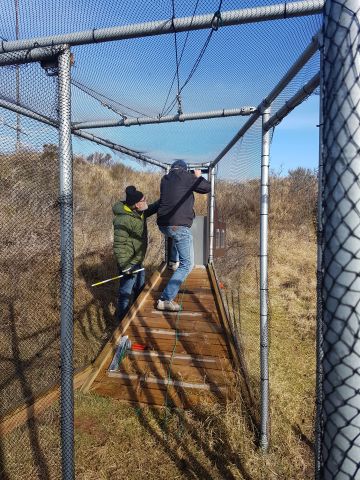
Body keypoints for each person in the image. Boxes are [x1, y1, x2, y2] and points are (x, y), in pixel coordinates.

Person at [156, 159, 211, 311]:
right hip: (178, 226)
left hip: (163, 224)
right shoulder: (186, 176)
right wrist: (198, 176)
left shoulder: (165, 179)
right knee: (187, 265)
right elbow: (206, 188)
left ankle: (173, 262)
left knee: (174, 237)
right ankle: (165, 299)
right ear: (184, 169)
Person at [113, 185, 159, 319]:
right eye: (144, 199)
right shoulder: (123, 220)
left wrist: (165, 199)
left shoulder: (140, 212)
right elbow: (119, 246)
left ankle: (136, 315)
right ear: (137, 205)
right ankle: (121, 321)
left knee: (140, 288)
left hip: (137, 261)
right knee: (125, 293)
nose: (146, 200)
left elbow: (151, 208)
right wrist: (126, 267)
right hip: (128, 263)